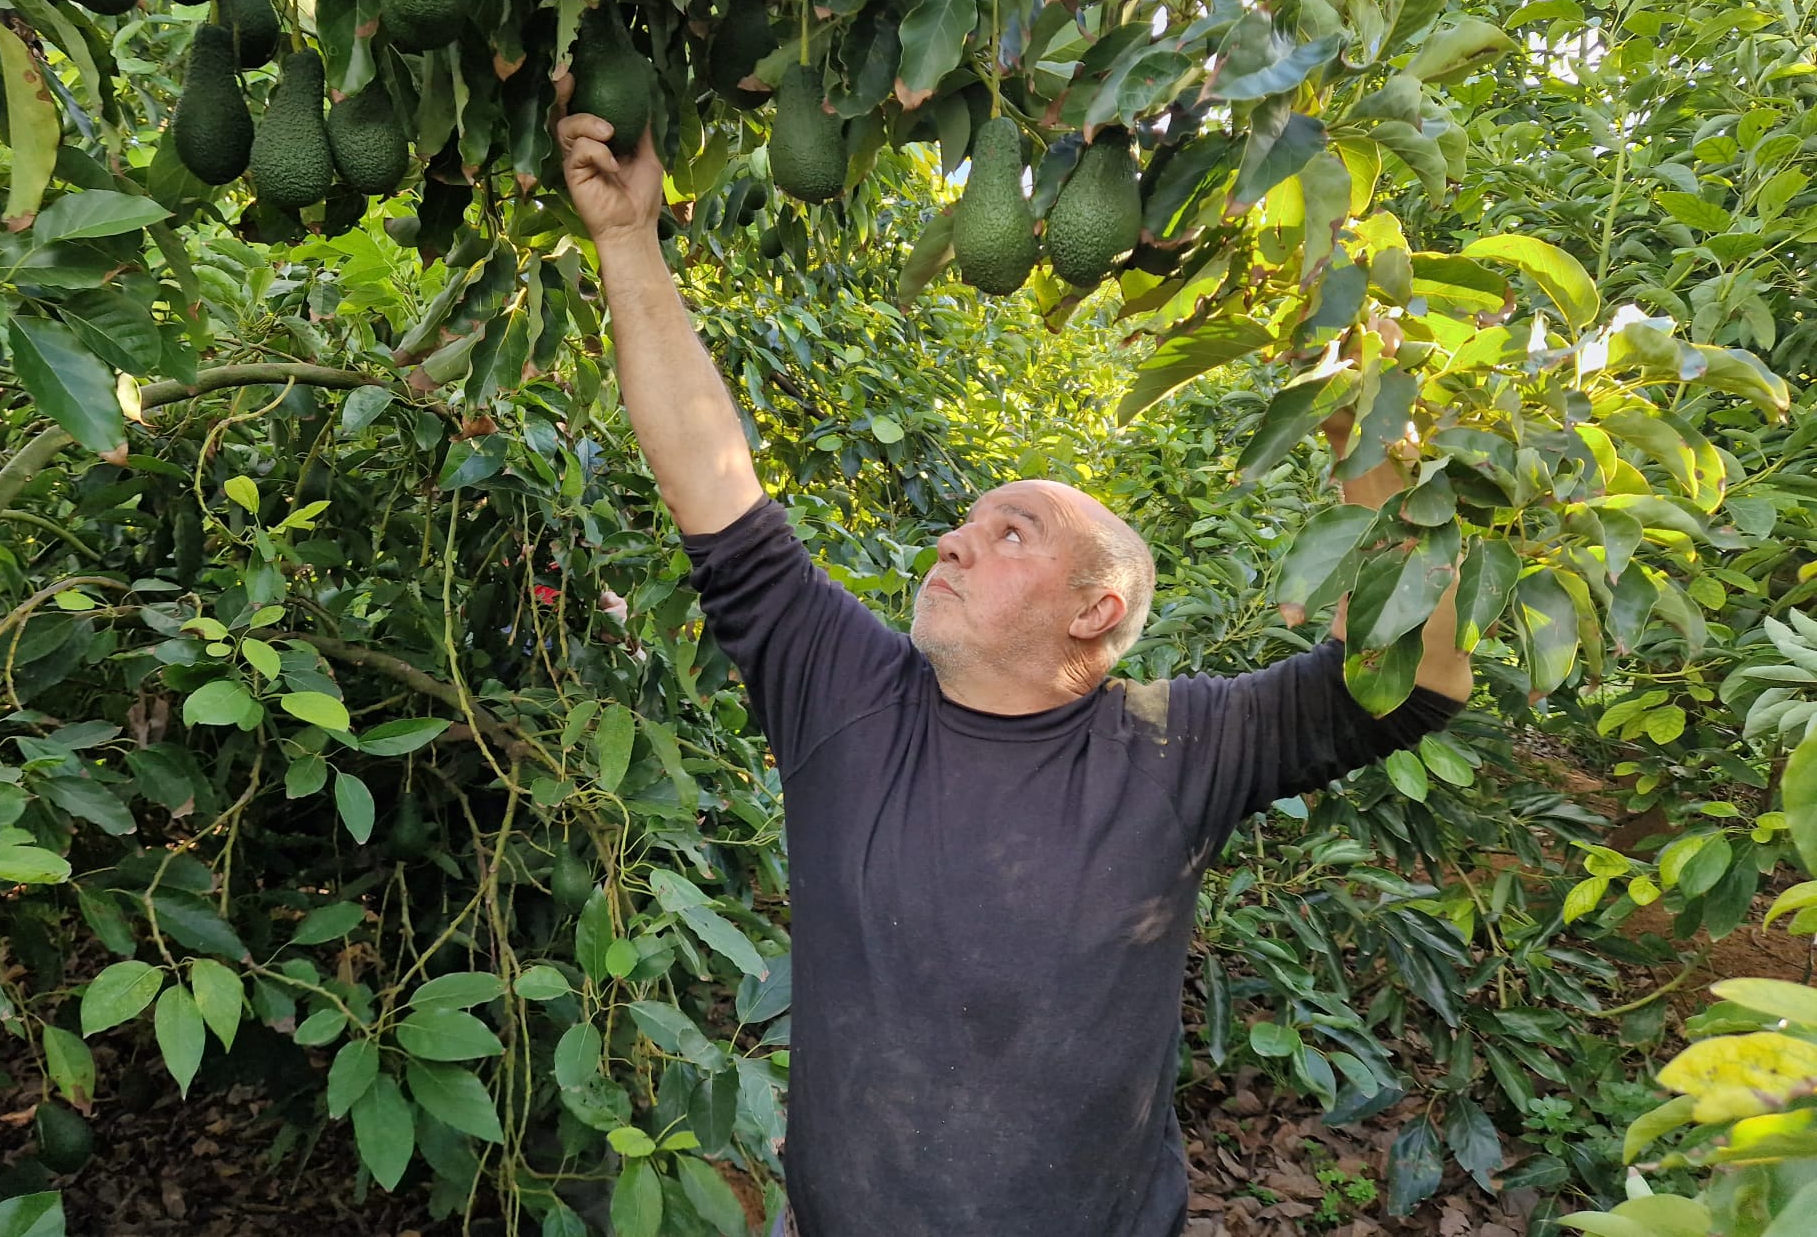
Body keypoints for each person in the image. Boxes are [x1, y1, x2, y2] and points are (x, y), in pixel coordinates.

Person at [552, 95, 1474, 1237]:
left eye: (1012, 533)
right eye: (965, 520)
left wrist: (1365, 421)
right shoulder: (847, 694)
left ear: (1098, 610)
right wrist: (626, 240)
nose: (954, 539)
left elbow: (1414, 674)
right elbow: (711, 476)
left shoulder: (1173, 746)